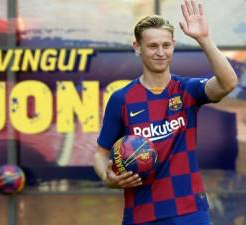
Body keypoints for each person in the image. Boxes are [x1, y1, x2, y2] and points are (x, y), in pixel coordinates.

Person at [94, 0, 238, 225]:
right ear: (137, 47)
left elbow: (228, 83)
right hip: (142, 214)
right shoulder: (122, 99)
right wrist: (107, 176)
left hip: (190, 210)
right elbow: (100, 154)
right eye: (152, 46)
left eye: (166, 45)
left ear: (172, 45)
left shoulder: (187, 90)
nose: (161, 52)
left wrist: (204, 39)